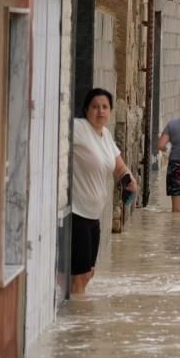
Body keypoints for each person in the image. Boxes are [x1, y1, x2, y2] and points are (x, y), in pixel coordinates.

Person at [70, 88, 137, 293]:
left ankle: (79, 311)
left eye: (105, 107)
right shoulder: (78, 128)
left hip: (94, 215)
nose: (100, 112)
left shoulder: (105, 134)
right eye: (95, 107)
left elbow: (119, 167)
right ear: (86, 109)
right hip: (76, 212)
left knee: (89, 272)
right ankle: (79, 319)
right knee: (79, 275)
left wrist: (130, 181)